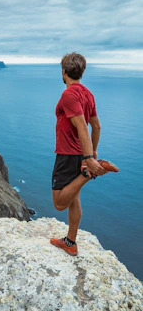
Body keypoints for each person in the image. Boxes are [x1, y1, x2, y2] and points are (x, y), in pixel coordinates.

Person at [50, 53, 118, 256]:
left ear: (64, 72)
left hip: (68, 154)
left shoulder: (68, 95)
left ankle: (87, 174)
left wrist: (89, 161)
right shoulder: (88, 94)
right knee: (74, 199)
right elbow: (96, 126)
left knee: (60, 202)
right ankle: (70, 242)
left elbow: (81, 126)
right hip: (80, 154)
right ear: (81, 72)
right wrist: (93, 151)